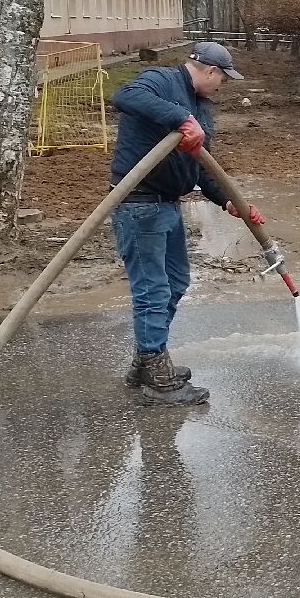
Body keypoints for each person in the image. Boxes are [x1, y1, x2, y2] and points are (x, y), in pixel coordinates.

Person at [110, 42, 264, 406]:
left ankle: (147, 360)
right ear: (210, 70)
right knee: (153, 291)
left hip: (167, 205)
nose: (221, 87)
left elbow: (201, 165)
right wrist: (179, 118)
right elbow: (125, 95)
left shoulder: (202, 107)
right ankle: (158, 379)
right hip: (139, 203)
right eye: (223, 79)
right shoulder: (160, 81)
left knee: (176, 282)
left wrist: (229, 201)